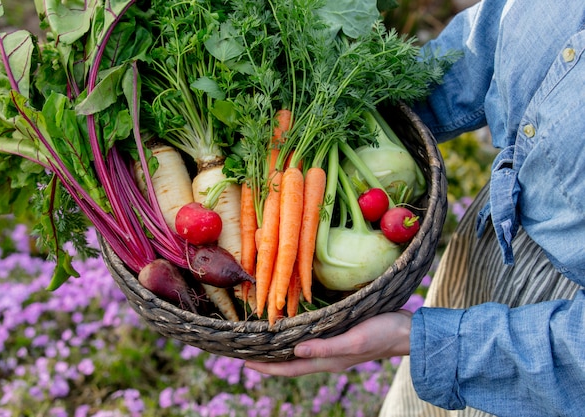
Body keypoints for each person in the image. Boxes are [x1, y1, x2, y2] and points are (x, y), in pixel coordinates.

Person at [245, 1, 585, 416]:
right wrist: (349, 101)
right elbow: (494, 32)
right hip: (490, 253)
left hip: (538, 350)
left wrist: (420, 340)